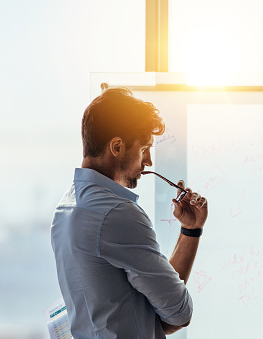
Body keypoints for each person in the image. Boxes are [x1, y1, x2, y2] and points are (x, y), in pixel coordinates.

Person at [51, 87, 208, 338]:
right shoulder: (117, 214)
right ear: (117, 146)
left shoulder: (65, 209)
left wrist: (190, 230)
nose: (148, 162)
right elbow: (178, 314)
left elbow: (151, 310)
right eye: (144, 148)